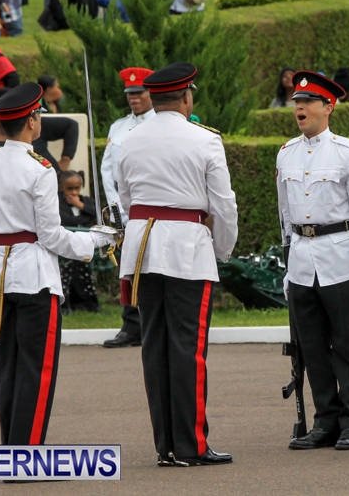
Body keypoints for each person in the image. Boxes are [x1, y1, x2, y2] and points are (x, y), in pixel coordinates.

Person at [0, 82, 116, 446]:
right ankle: (27, 454)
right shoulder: (41, 169)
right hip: (34, 279)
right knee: (36, 370)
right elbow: (51, 235)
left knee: (9, 368)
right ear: (32, 121)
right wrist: (95, 240)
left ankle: (11, 451)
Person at [116, 62, 238, 466]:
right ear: (187, 97)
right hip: (187, 249)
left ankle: (166, 446)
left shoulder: (129, 139)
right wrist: (222, 249)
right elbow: (223, 205)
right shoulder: (205, 140)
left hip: (142, 249)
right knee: (188, 348)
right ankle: (191, 445)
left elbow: (126, 199)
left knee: (155, 346)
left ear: (153, 98)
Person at [277, 71, 349, 451]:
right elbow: (285, 215)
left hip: (339, 258)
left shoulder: (348, 153)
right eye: (297, 102)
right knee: (312, 347)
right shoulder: (286, 153)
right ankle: (325, 421)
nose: (300, 108)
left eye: (308, 102)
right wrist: (288, 264)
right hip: (302, 261)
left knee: (346, 345)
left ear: (328, 107)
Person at [101, 66, 154, 349]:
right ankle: (131, 326)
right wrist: (116, 211)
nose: (134, 98)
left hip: (152, 209)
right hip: (124, 213)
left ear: (151, 93)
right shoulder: (118, 127)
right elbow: (107, 170)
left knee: (153, 269)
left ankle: (153, 325)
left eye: (139, 93)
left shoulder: (161, 124)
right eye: (130, 93)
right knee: (128, 268)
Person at [58, 170, 100, 314]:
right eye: (70, 189)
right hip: (67, 245)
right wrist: (85, 217)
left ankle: (91, 304)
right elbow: (66, 220)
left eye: (77, 188)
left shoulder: (85, 201)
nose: (74, 192)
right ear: (61, 187)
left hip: (84, 245)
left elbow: (97, 214)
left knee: (86, 274)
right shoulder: (59, 203)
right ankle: (65, 306)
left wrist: (80, 205)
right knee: (65, 275)